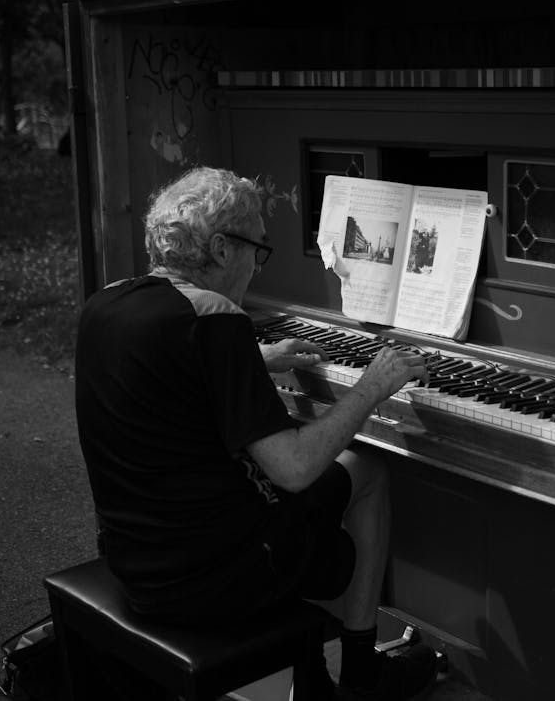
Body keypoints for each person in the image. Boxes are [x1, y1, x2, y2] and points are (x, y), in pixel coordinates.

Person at [74, 165, 438, 700]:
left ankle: (316, 662)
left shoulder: (109, 301)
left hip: (137, 562)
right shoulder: (216, 317)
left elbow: (166, 371)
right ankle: (361, 671)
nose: (256, 268)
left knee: (302, 495)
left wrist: (252, 359)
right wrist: (370, 387)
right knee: (367, 470)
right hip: (213, 579)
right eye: (255, 250)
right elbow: (293, 470)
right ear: (221, 248)